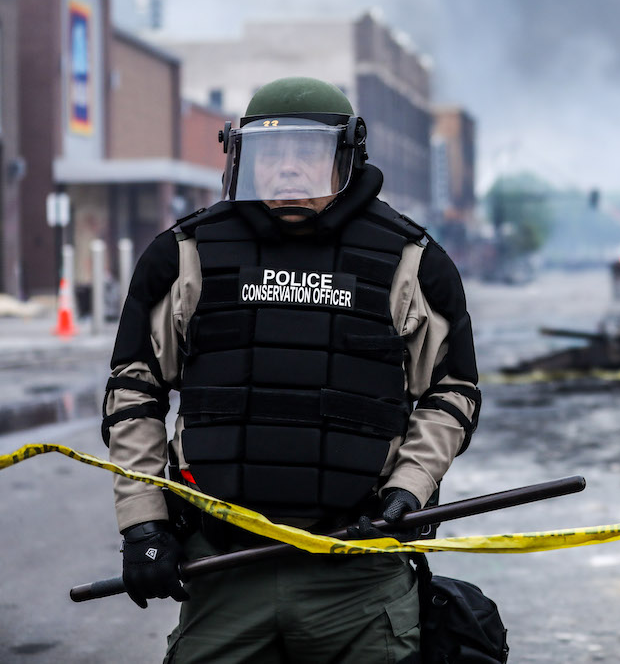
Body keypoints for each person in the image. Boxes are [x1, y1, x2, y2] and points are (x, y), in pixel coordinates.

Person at [102, 76, 479, 662]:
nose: (287, 170)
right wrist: (143, 524)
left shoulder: (412, 262)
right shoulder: (185, 256)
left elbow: (451, 393)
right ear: (240, 156)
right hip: (225, 566)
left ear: (348, 155)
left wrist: (410, 488)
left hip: (359, 573)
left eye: (308, 151)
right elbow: (134, 390)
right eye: (269, 153)